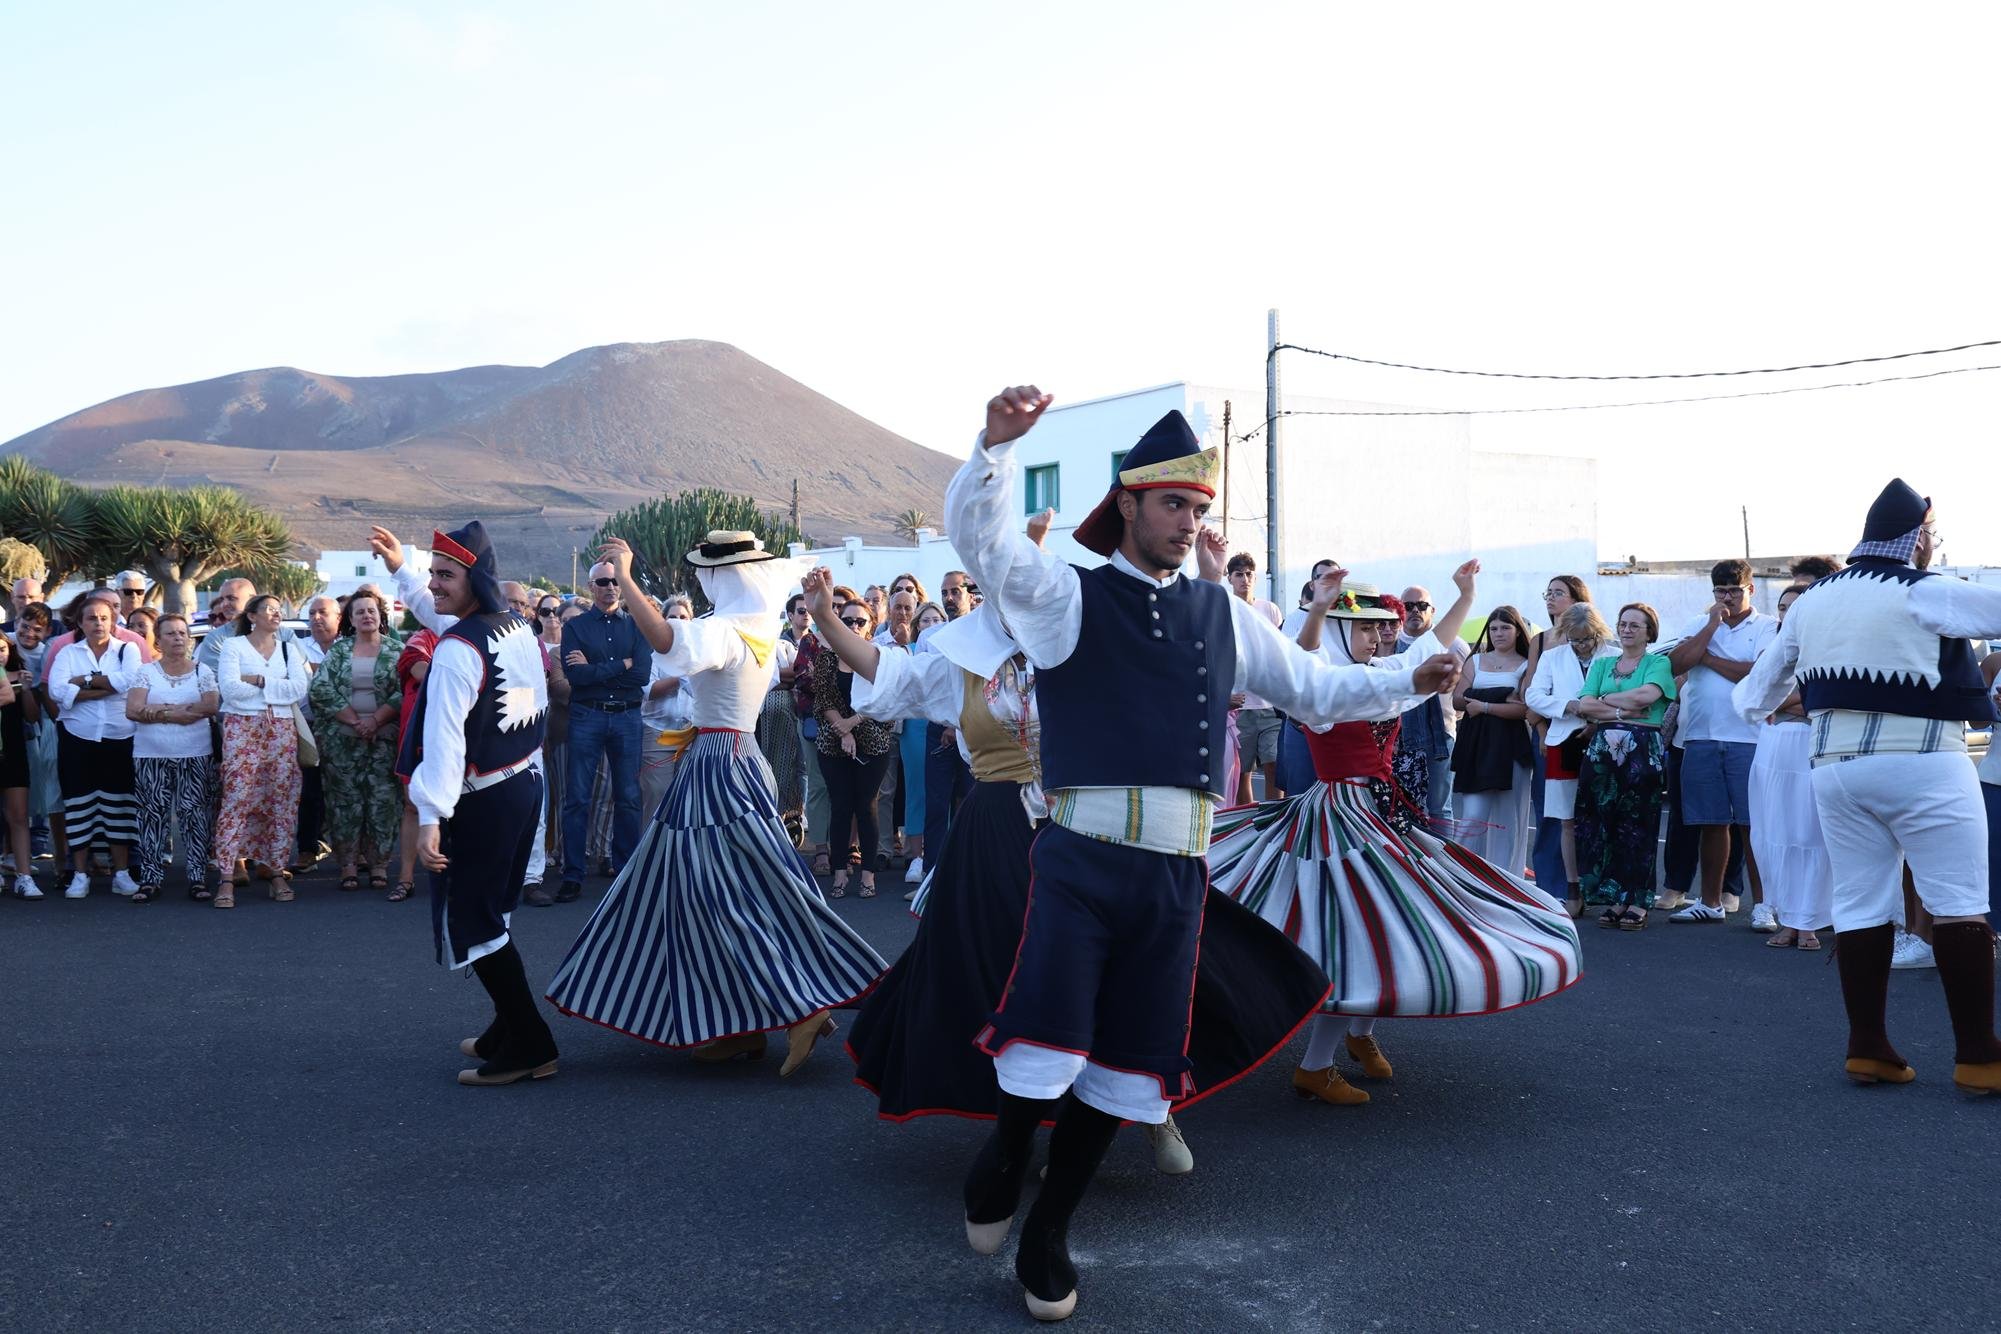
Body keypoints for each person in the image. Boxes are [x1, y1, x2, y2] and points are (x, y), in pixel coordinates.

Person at [946, 387, 1460, 1322]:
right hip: (1081, 855)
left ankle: (1049, 1228)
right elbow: (987, 549)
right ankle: (1005, 1151)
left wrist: (1407, 678)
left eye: (1198, 509)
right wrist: (992, 450)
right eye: (1173, 504)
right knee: (1049, 1034)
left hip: (1179, 868)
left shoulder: (1225, 617)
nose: (1187, 523)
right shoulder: (1067, 595)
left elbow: (1317, 691)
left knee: (1133, 1057)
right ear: (1130, 504)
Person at [814, 567, 1328, 1175]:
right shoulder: (962, 665)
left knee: (1129, 963)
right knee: (1003, 972)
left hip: (1090, 819)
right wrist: (825, 617)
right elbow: (885, 671)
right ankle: (1024, 1124)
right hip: (998, 831)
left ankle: (1154, 1104)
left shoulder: (1087, 649)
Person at [544, 532, 886, 1074]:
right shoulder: (757, 629)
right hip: (741, 756)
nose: (704, 581)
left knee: (718, 895)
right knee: (734, 888)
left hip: (714, 763)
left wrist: (628, 578)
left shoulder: (726, 630)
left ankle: (798, 1008)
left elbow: (662, 640)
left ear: (722, 576)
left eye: (709, 573)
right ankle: (743, 1025)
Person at [1218, 565, 1532, 1109]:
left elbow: (1423, 651)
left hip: (1381, 812)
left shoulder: (1379, 669)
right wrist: (1317, 607)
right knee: (1354, 936)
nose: (1381, 634)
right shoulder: (1321, 687)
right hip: (1340, 819)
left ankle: (1357, 1033)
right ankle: (1315, 1065)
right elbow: (1299, 657)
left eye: (1382, 627)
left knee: (1390, 927)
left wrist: (1466, 595)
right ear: (1342, 632)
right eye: (1366, 629)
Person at [1734, 479, 2001, 1093]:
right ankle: (1981, 1055)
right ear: (1920, 537)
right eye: (1932, 535)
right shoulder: (1928, 591)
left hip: (1835, 768)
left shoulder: (1811, 601)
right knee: (1958, 900)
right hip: (1926, 759)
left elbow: (1753, 697)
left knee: (1858, 903)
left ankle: (1869, 1047)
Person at [385, 522, 559, 1087]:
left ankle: (531, 1042)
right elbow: (437, 613)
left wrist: (430, 817)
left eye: (446, 575)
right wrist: (401, 570)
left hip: (484, 797)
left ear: (474, 579)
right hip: (521, 786)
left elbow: (444, 742)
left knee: (477, 919)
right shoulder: (513, 625)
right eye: (433, 573)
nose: (435, 585)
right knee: (496, 911)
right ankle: (505, 1028)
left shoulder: (461, 649)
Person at [1662, 560, 1780, 922]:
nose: (1727, 597)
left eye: (1734, 591)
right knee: (1711, 823)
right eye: (1720, 591)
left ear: (1751, 590)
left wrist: (1707, 657)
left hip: (1749, 738)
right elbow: (1677, 663)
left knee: (1753, 825)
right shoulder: (1701, 623)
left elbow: (1756, 674)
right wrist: (1712, 626)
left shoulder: (1766, 627)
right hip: (1700, 736)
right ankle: (1710, 903)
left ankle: (1764, 905)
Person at [1572, 603, 1678, 928]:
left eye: (1636, 625)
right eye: (1623, 624)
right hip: (1602, 752)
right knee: (1601, 823)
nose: (1628, 629)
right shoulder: (1603, 664)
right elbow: (1583, 705)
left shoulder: (1657, 662)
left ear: (1650, 632)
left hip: (1641, 751)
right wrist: (1620, 711)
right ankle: (1614, 896)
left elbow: (1647, 697)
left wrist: (1605, 702)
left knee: (1639, 826)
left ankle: (1638, 899)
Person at [557, 560, 647, 901]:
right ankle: (573, 875)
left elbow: (640, 675)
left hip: (626, 717)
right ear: (591, 587)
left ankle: (626, 873)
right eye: (603, 581)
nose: (610, 586)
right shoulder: (576, 627)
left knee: (628, 797)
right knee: (577, 798)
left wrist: (597, 669)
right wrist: (619, 665)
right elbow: (574, 677)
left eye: (615, 581)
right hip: (587, 716)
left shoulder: (637, 626)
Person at [214, 594, 311, 906]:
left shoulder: (287, 647)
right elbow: (230, 689)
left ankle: (277, 869)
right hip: (241, 728)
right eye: (269, 609)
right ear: (252, 615)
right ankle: (227, 875)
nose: (276, 614)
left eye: (278, 610)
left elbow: (298, 688)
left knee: (281, 799)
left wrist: (256, 681)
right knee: (237, 798)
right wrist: (273, 687)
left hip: (281, 730)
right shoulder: (233, 646)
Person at [1750, 585, 1830, 950]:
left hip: (1811, 746)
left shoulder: (1827, 647)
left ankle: (1809, 921)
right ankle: (1788, 919)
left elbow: (1824, 698)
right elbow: (1760, 697)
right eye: (1782, 607)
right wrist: (1795, 702)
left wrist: (1786, 704)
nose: (1786, 613)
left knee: (1809, 833)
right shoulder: (1772, 651)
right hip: (1774, 748)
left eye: (1794, 607)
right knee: (1775, 831)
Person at [309, 588, 404, 894]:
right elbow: (321, 690)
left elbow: (405, 692)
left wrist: (376, 721)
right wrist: (355, 720)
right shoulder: (339, 651)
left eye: (371, 611)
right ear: (350, 618)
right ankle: (348, 866)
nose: (366, 616)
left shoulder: (396, 650)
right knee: (344, 804)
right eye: (359, 611)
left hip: (384, 741)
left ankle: (378, 865)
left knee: (383, 803)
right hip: (342, 742)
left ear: (380, 616)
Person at [1525, 602, 1619, 910]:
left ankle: (1605, 887)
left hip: (1605, 741)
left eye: (1587, 638)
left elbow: (1621, 697)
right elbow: (1534, 696)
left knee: (1606, 817)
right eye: (1574, 639)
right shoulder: (1552, 657)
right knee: (1566, 820)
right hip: (1563, 741)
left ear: (1598, 633)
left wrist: (1596, 721)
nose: (1580, 644)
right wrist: (1569, 706)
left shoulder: (1614, 654)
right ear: (1564, 634)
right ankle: (1573, 890)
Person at [46, 598, 140, 898]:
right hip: (77, 737)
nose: (98, 623)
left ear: (112, 621)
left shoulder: (128, 649)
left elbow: (130, 681)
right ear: (80, 622)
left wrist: (83, 682)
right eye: (91, 618)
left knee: (120, 805)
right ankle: (80, 875)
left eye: (104, 617)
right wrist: (102, 689)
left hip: (119, 737)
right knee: (79, 806)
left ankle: (122, 873)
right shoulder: (67, 653)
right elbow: (57, 691)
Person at [126, 613, 220, 903]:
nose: (178, 638)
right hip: (151, 754)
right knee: (152, 815)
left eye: (182, 633)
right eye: (170, 633)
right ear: (159, 639)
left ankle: (196, 876)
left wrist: (156, 711)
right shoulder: (145, 672)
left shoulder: (202, 671)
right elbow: (133, 709)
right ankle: (150, 878)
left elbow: (211, 705)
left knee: (194, 815)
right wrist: (174, 713)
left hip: (194, 753)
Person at [815, 595, 898, 896]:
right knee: (840, 806)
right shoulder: (825, 656)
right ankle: (839, 873)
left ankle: (868, 876)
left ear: (870, 627)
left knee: (867, 807)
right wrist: (843, 731)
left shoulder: (880, 657)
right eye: (846, 620)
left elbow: (885, 701)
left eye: (859, 621)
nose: (852, 625)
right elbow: (822, 698)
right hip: (832, 741)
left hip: (873, 741)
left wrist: (852, 724)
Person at [1449, 605, 1536, 878]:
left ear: (1517, 630)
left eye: (1506, 628)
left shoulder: (1526, 663)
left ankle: (1506, 882)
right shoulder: (1474, 661)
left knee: (1510, 822)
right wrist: (1503, 696)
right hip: (1476, 747)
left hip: (1511, 747)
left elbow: (1524, 708)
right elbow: (1458, 699)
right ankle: (1461, 877)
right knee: (1472, 817)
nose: (1499, 633)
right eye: (1494, 628)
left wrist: (1484, 705)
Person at [922, 571, 977, 887]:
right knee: (937, 804)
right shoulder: (932, 637)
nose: (949, 598)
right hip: (937, 729)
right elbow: (928, 684)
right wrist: (945, 724)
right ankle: (932, 877)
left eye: (955, 591)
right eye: (944, 592)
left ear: (969, 592)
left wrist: (958, 725)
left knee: (971, 803)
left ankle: (970, 874)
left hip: (974, 729)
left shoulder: (983, 630)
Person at [1398, 583, 1470, 822]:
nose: (1415, 611)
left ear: (1433, 610)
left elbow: (1465, 689)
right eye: (1408, 606)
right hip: (1399, 736)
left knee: (1439, 807)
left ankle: (1441, 858)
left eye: (1422, 606)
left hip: (1441, 735)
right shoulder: (1389, 642)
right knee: (1402, 804)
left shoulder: (1456, 645)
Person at [1226, 552, 1286, 806]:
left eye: (1249, 574)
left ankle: (1275, 818)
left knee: (1274, 765)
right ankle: (1247, 825)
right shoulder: (1224, 607)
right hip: (1240, 706)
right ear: (1229, 578)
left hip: (1269, 703)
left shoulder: (1269, 609)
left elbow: (1283, 650)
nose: (1245, 579)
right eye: (1239, 574)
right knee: (1242, 772)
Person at [390, 624, 440, 904]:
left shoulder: (473, 634)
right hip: (417, 735)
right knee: (411, 806)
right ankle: (405, 878)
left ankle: (453, 878)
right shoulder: (422, 639)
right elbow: (421, 670)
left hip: (458, 735)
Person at [294, 593, 343, 873]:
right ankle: (307, 849)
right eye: (312, 613)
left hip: (344, 725)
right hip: (308, 727)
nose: (316, 618)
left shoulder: (349, 648)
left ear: (338, 617)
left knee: (345, 790)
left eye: (323, 612)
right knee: (309, 791)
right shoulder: (298, 648)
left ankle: (353, 852)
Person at [636, 593, 697, 822]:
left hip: (690, 735)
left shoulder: (698, 654)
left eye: (684, 616)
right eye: (673, 616)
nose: (678, 620)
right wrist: (680, 676)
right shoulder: (652, 653)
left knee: (686, 799)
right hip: (657, 734)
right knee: (656, 796)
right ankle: (653, 855)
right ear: (663, 620)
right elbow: (648, 691)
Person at [14, 604, 63, 871]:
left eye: (37, 629)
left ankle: (47, 851)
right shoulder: (6, 644)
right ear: (16, 622)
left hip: (34, 723)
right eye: (25, 626)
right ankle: (9, 854)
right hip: (10, 720)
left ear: (46, 632)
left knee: (37, 792)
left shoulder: (47, 654)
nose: (29, 633)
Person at [0, 633, 42, 898]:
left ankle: (24, 877)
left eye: (2, 648)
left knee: (18, 816)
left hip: (14, 752)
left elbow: (33, 716)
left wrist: (25, 689)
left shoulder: (20, 673)